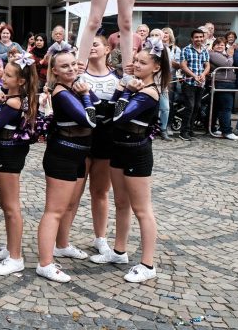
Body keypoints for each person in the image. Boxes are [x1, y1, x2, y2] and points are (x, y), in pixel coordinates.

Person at [90, 37, 169, 283]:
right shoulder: (135, 88)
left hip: (137, 151)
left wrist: (124, 92)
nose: (136, 65)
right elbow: (112, 109)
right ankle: (119, 251)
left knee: (142, 210)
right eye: (135, 60)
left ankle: (147, 264)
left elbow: (118, 116)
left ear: (156, 67)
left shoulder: (150, 92)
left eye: (142, 62)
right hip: (119, 149)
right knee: (121, 204)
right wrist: (122, 91)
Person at [36, 50, 98, 283]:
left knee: (70, 204)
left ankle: (62, 245)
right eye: (65, 66)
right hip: (62, 155)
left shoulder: (74, 87)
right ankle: (45, 263)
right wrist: (86, 95)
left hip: (79, 155)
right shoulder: (61, 93)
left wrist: (86, 93)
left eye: (74, 64)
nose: (71, 69)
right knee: (54, 210)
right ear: (55, 71)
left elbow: (100, 109)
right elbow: (90, 119)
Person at [0, 53, 39, 276]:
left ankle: (15, 256)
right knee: (7, 203)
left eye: (8, 75)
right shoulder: (16, 99)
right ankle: (10, 248)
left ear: (21, 81)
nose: (3, 78)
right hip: (8, 153)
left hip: (9, 155)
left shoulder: (15, 102)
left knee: (11, 206)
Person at [78, 34, 118, 257]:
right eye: (88, 45)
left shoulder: (117, 77)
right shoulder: (78, 75)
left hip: (106, 139)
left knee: (100, 191)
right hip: (82, 137)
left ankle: (101, 239)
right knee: (74, 193)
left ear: (106, 49)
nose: (91, 48)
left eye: (95, 44)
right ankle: (62, 240)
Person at [178, 29, 210, 141]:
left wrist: (202, 75)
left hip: (200, 83)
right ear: (192, 38)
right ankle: (183, 132)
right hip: (189, 83)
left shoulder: (205, 50)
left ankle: (190, 130)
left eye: (201, 37)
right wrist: (194, 76)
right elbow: (183, 66)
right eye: (196, 37)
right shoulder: (186, 49)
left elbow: (207, 66)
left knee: (196, 107)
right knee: (190, 107)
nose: (199, 39)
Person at [209, 37, 238, 140]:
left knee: (219, 108)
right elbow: (227, 64)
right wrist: (230, 55)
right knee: (226, 108)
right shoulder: (213, 54)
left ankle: (219, 128)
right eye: (217, 44)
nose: (220, 46)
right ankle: (227, 131)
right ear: (213, 46)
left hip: (227, 83)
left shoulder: (224, 55)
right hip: (223, 83)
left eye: (222, 44)